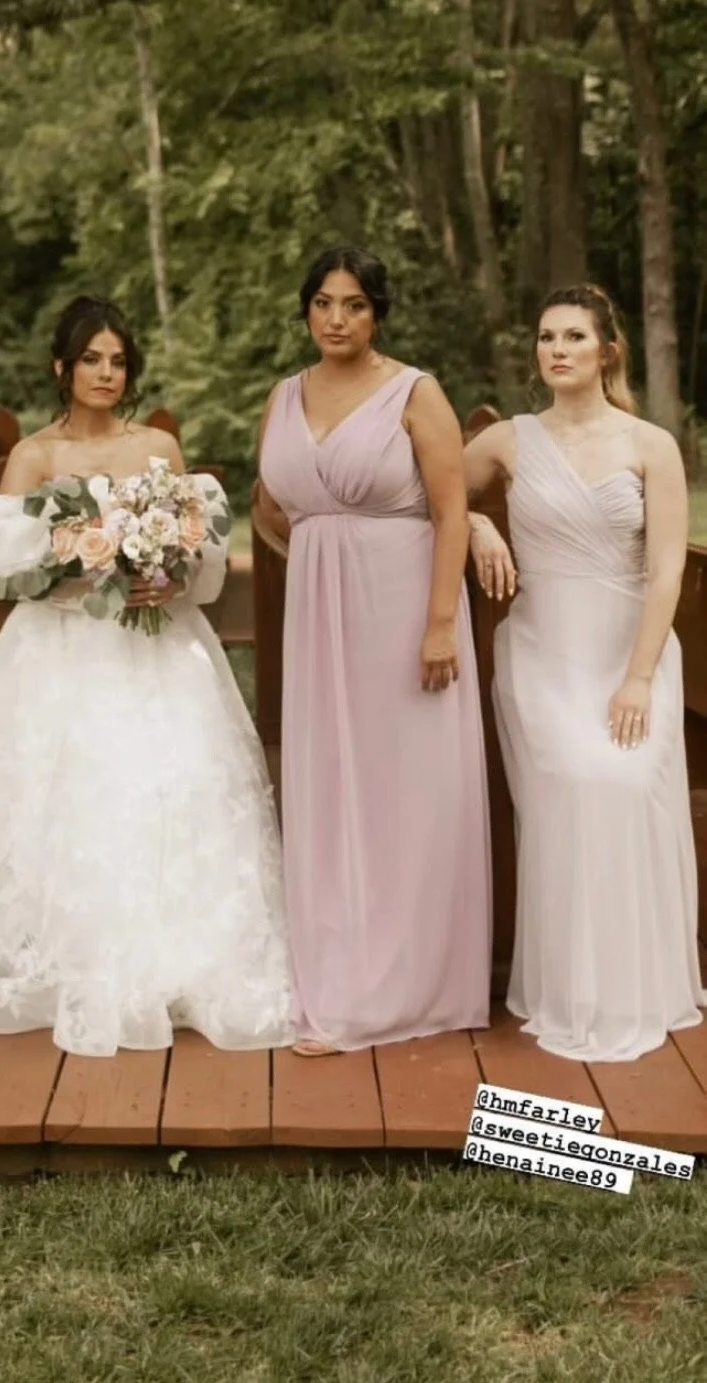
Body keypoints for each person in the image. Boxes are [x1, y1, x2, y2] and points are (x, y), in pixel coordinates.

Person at [0, 295, 296, 1057]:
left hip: (156, 644)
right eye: (91, 359)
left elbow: (197, 555)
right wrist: (87, 569)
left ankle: (177, 965)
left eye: (118, 361)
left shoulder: (158, 447)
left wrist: (165, 575)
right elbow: (1, 568)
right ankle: (82, 962)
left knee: (171, 787)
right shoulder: (35, 456)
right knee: (77, 794)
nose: (106, 373)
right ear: (61, 367)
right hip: (64, 646)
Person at [255, 245, 491, 1053]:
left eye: (354, 304)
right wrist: (315, 557)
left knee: (403, 793)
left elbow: (453, 512)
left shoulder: (416, 392)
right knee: (330, 787)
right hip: (319, 622)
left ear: (377, 313)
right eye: (323, 302)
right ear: (306, 310)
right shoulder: (284, 395)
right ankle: (335, 969)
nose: (337, 318)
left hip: (404, 612)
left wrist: (439, 621)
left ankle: (406, 985)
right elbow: (268, 507)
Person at [466, 283, 704, 1061]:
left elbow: (666, 574)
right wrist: (476, 525)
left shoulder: (650, 444)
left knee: (625, 784)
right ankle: (572, 989)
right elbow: (428, 492)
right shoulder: (509, 440)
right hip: (542, 653)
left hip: (629, 653)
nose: (557, 349)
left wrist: (637, 678)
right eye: (546, 336)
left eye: (573, 335)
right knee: (574, 784)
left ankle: (634, 986)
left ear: (608, 350)